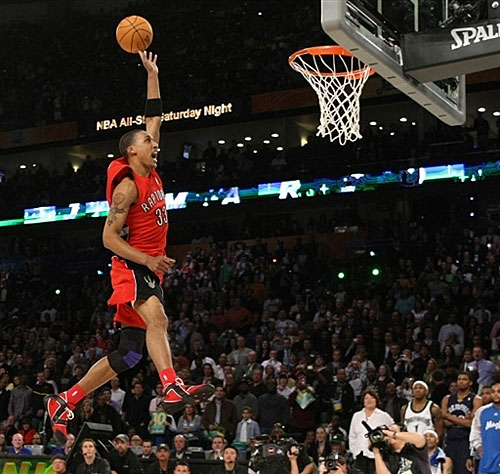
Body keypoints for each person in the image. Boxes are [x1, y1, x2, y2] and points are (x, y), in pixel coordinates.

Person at [44, 50, 214, 443]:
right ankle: (171, 385)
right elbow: (108, 238)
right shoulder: (127, 187)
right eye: (147, 142)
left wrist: (152, 74)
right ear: (131, 151)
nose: (155, 144)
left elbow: (154, 117)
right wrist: (149, 260)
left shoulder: (150, 167)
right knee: (159, 320)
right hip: (133, 265)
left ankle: (65, 401)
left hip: (147, 266)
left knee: (130, 354)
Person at [441, 372, 482, 474]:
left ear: (470, 382)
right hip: (449, 440)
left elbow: (471, 424)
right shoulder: (447, 398)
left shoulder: (476, 399)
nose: (461, 381)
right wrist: (463, 420)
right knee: (447, 470)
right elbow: (443, 423)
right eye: (459, 379)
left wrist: (448, 416)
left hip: (466, 442)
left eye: (464, 379)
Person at [349, 390, 394, 474]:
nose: (369, 400)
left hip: (376, 455)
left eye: (372, 398)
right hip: (359, 455)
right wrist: (354, 451)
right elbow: (352, 436)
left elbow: (393, 431)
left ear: (376, 400)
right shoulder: (356, 416)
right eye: (366, 398)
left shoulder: (383, 415)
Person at [469, 383, 500, 474]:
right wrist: (478, 446)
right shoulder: (482, 411)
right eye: (493, 392)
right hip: (486, 460)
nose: (496, 394)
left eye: (499, 392)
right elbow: (475, 431)